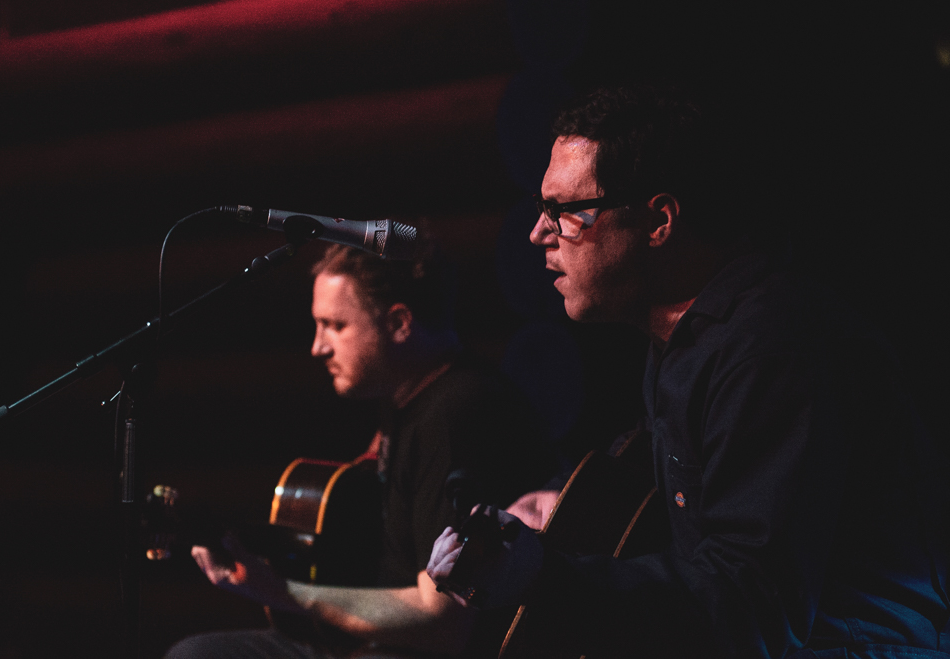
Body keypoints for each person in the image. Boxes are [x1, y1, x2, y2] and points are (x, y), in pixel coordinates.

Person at [427, 85, 949, 658]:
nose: (539, 233)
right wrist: (554, 504)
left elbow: (752, 604)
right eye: (540, 207)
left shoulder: (769, 346)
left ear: (658, 221)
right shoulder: (686, 340)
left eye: (568, 212)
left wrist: (542, 575)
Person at [166, 241, 555, 659]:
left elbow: (442, 619)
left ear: (400, 323)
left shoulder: (455, 415)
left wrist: (282, 591)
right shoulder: (405, 400)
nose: (318, 347)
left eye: (335, 325)